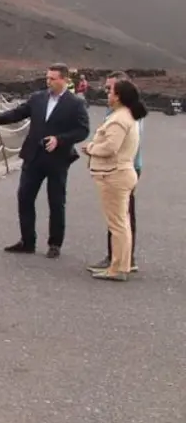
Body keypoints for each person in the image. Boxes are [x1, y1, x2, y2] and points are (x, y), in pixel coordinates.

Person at [0, 63, 90, 258]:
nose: (49, 82)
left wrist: (60, 139)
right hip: (33, 156)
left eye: (53, 79)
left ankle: (55, 244)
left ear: (64, 80)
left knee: (56, 202)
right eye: (47, 78)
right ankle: (27, 241)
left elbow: (82, 130)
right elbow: (18, 113)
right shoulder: (38, 98)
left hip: (58, 159)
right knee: (25, 198)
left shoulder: (75, 104)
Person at [80, 78, 146, 281]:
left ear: (118, 96)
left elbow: (110, 147)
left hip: (114, 174)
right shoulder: (127, 115)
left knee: (117, 224)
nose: (107, 94)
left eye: (110, 92)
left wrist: (91, 148)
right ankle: (121, 264)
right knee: (122, 223)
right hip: (121, 172)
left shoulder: (119, 119)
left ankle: (117, 268)